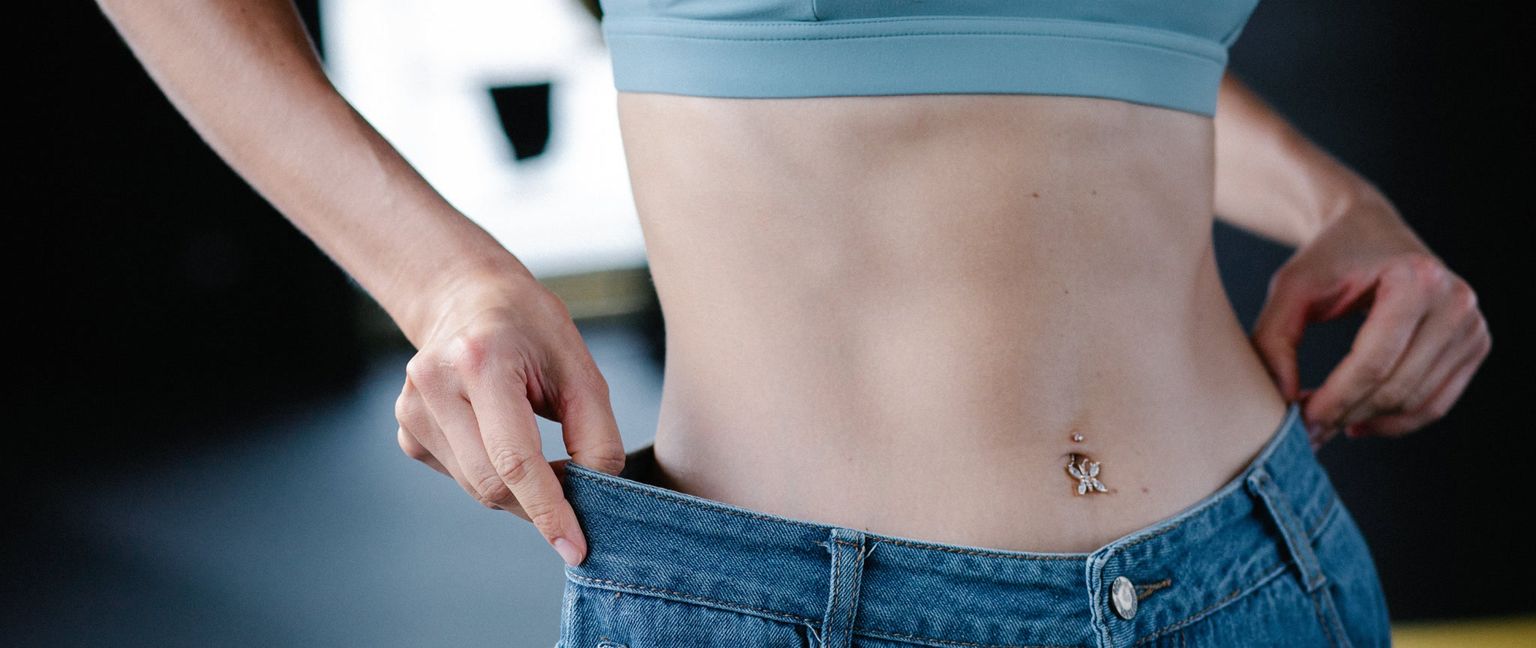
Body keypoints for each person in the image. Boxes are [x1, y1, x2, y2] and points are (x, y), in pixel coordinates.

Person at [95, 1, 1490, 646]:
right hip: (793, 610)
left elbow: (1106, 58)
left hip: (1250, 578)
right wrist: (435, 272)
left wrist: (1334, 196)